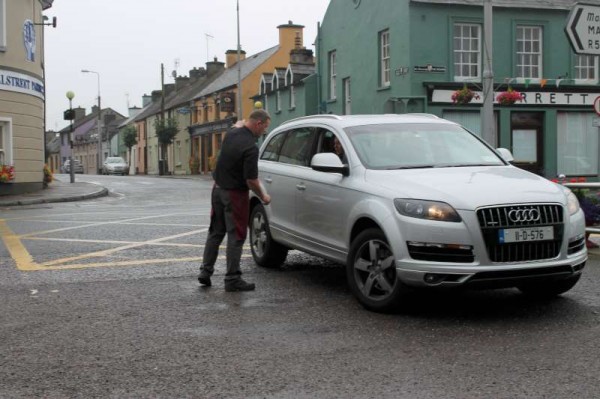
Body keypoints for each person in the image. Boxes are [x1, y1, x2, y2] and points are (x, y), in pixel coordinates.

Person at [198, 109, 271, 292]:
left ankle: (205, 272)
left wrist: (239, 123)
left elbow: (238, 125)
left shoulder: (231, 134)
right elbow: (251, 180)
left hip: (217, 190)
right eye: (265, 128)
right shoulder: (251, 147)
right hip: (235, 194)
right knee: (236, 235)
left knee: (215, 232)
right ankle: (232, 278)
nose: (264, 132)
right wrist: (263, 196)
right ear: (258, 123)